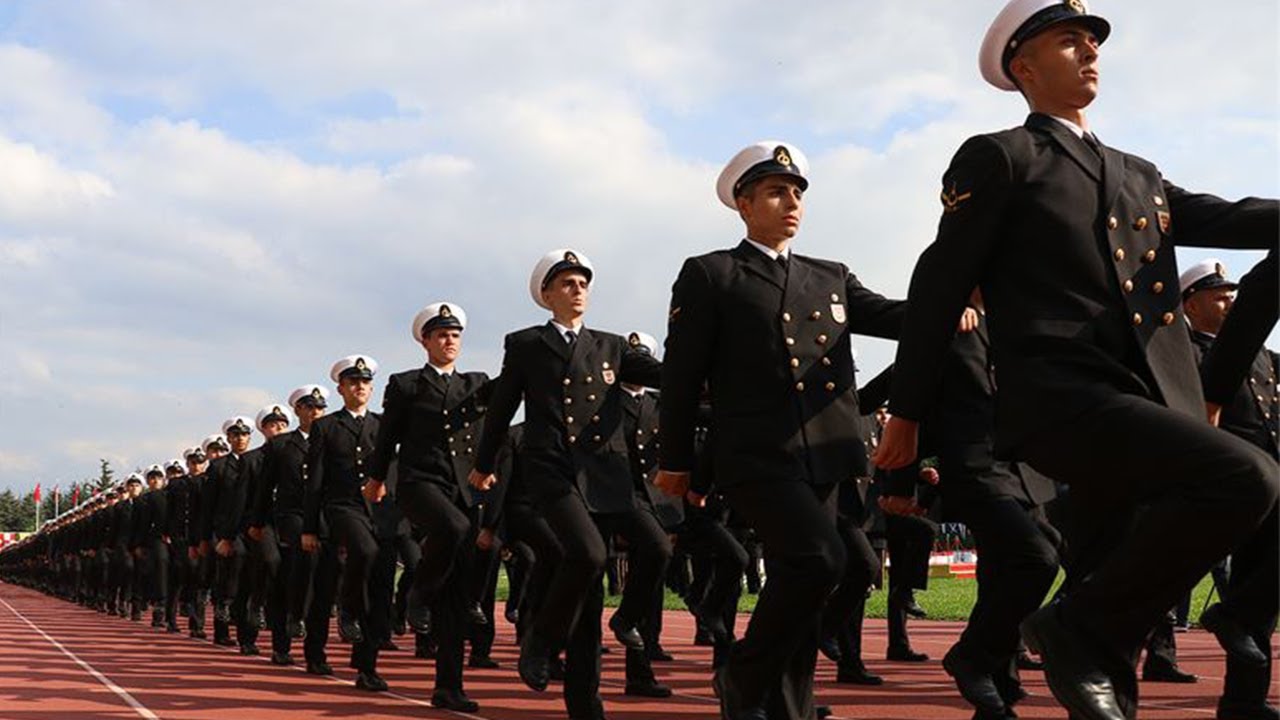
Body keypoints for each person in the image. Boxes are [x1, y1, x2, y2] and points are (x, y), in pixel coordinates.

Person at [873, 2, 1279, 718]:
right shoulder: (1002, 157)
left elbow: (1230, 215)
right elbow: (937, 290)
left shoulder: (1137, 173)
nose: (1090, 51)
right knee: (1246, 476)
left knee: (1103, 576)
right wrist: (904, 416)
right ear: (1023, 67)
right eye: (1069, 40)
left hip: (1146, 399)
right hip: (1062, 397)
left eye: (1093, 41)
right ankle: (1075, 627)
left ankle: (1092, 654)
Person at [655, 140, 911, 720]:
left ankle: (789, 701)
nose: (792, 201)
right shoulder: (712, 273)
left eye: (797, 192)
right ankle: (743, 674)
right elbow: (681, 375)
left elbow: (895, 316)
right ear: (744, 204)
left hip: (825, 453)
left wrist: (956, 300)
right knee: (819, 559)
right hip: (755, 452)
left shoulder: (830, 275)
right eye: (776, 191)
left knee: (806, 574)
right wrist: (677, 460)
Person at [470, 248, 663, 720]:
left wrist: (714, 366)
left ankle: (626, 619)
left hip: (608, 475)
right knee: (589, 558)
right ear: (547, 294)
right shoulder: (527, 344)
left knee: (656, 547)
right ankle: (544, 643)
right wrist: (484, 462)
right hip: (553, 470)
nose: (578, 291)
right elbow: (502, 407)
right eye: (568, 284)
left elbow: (667, 376)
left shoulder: (611, 345)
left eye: (583, 284)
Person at [370, 301, 493, 713]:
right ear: (425, 341)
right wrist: (375, 479)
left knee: (457, 595)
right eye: (441, 335)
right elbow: (387, 436)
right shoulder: (406, 385)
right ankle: (418, 591)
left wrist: (488, 467)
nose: (450, 341)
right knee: (455, 528)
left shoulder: (476, 383)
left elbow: (494, 423)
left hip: (462, 489)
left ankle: (448, 687)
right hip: (419, 483)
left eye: (455, 335)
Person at [1181, 259, 1279, 720]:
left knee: (1257, 589)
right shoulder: (1181, 351)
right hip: (1226, 478)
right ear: (1190, 304)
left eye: (1232, 295)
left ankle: (1244, 699)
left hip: (1268, 476)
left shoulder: (1260, 353)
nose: (1230, 302)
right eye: (1219, 296)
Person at [303, 355, 397, 691]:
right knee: (339, 572)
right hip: (341, 508)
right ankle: (324, 640)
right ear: (341, 388)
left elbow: (394, 470)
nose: (360, 387)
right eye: (353, 382)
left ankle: (366, 666)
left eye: (365, 382)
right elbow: (315, 480)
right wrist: (310, 527)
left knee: (380, 587)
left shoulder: (384, 425)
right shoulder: (326, 427)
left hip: (380, 512)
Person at [254, 384, 337, 674]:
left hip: (326, 517)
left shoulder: (333, 439)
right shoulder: (281, 445)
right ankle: (283, 641)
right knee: (291, 572)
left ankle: (316, 654)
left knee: (324, 584)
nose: (316, 412)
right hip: (292, 516)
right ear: (298, 410)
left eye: (320, 408)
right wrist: (258, 523)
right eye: (310, 407)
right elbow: (265, 488)